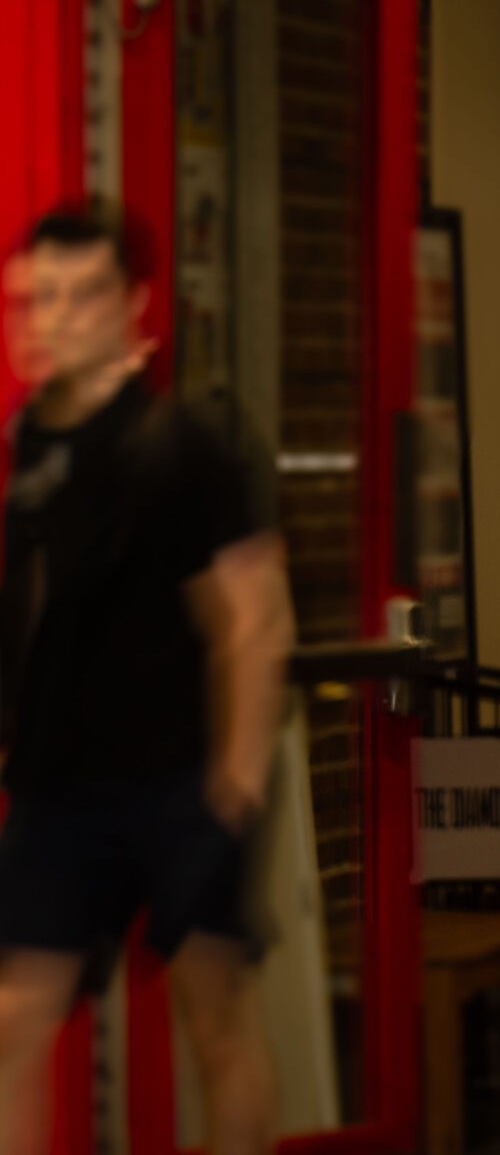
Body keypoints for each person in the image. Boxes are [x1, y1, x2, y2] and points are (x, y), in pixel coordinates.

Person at [0, 210, 295, 1155]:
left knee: (215, 1026)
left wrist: (234, 789)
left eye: (85, 294)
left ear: (132, 305)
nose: (61, 316)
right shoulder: (31, 446)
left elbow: (253, 619)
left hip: (180, 781)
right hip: (61, 792)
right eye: (43, 296)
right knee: (13, 1017)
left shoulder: (183, 443)